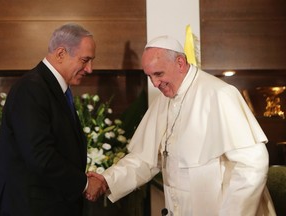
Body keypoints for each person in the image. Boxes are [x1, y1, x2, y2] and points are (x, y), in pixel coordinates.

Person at [89, 35, 276, 215]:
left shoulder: (219, 94)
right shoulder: (165, 100)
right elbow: (146, 159)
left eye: (158, 74)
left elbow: (252, 164)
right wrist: (107, 180)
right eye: (149, 76)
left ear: (180, 62)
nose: (155, 83)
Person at [0, 23, 105, 216]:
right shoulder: (31, 88)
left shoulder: (51, 88)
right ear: (61, 53)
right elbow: (40, 155)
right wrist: (85, 183)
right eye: (85, 60)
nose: (90, 69)